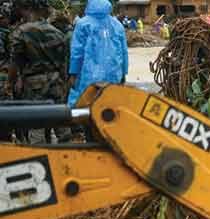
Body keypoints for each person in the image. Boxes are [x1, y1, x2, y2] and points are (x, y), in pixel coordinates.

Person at [7, 0, 68, 143]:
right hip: (57, 81)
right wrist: (64, 82)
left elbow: (15, 62)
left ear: (26, 10)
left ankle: (40, 160)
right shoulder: (57, 32)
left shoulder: (22, 32)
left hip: (35, 84)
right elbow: (63, 62)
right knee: (61, 125)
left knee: (37, 126)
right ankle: (68, 156)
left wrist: (10, 83)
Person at [67, 0, 127, 108]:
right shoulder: (117, 25)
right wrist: (124, 72)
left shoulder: (82, 24)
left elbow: (77, 52)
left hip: (88, 76)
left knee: (86, 105)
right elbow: (123, 52)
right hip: (113, 75)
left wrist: (73, 72)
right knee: (109, 107)